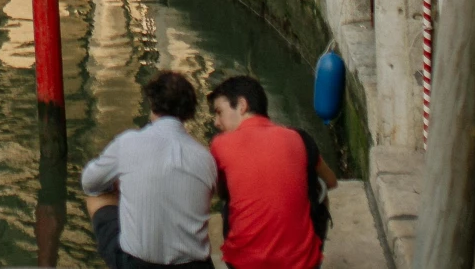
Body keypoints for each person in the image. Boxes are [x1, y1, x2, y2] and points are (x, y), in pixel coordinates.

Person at [81, 70, 219, 269]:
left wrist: (119, 185)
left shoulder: (128, 142)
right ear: (188, 113)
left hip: (138, 264)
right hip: (195, 265)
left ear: (152, 104)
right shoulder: (205, 158)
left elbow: (89, 182)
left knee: (96, 196)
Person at [207, 73, 335, 269]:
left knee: (229, 201)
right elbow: (331, 181)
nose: (217, 122)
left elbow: (220, 192)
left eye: (219, 112)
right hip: (301, 264)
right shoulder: (298, 137)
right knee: (319, 187)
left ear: (242, 105)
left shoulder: (220, 144)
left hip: (244, 264)